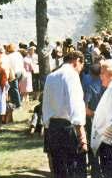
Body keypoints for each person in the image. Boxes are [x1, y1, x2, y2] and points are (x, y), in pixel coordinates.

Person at [42, 50, 87, 178]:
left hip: (53, 128)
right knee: (75, 169)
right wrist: (82, 135)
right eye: (81, 66)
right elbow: (75, 104)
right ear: (77, 61)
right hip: (69, 128)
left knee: (59, 170)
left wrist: (46, 127)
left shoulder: (51, 76)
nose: (80, 70)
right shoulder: (72, 75)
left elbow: (46, 104)